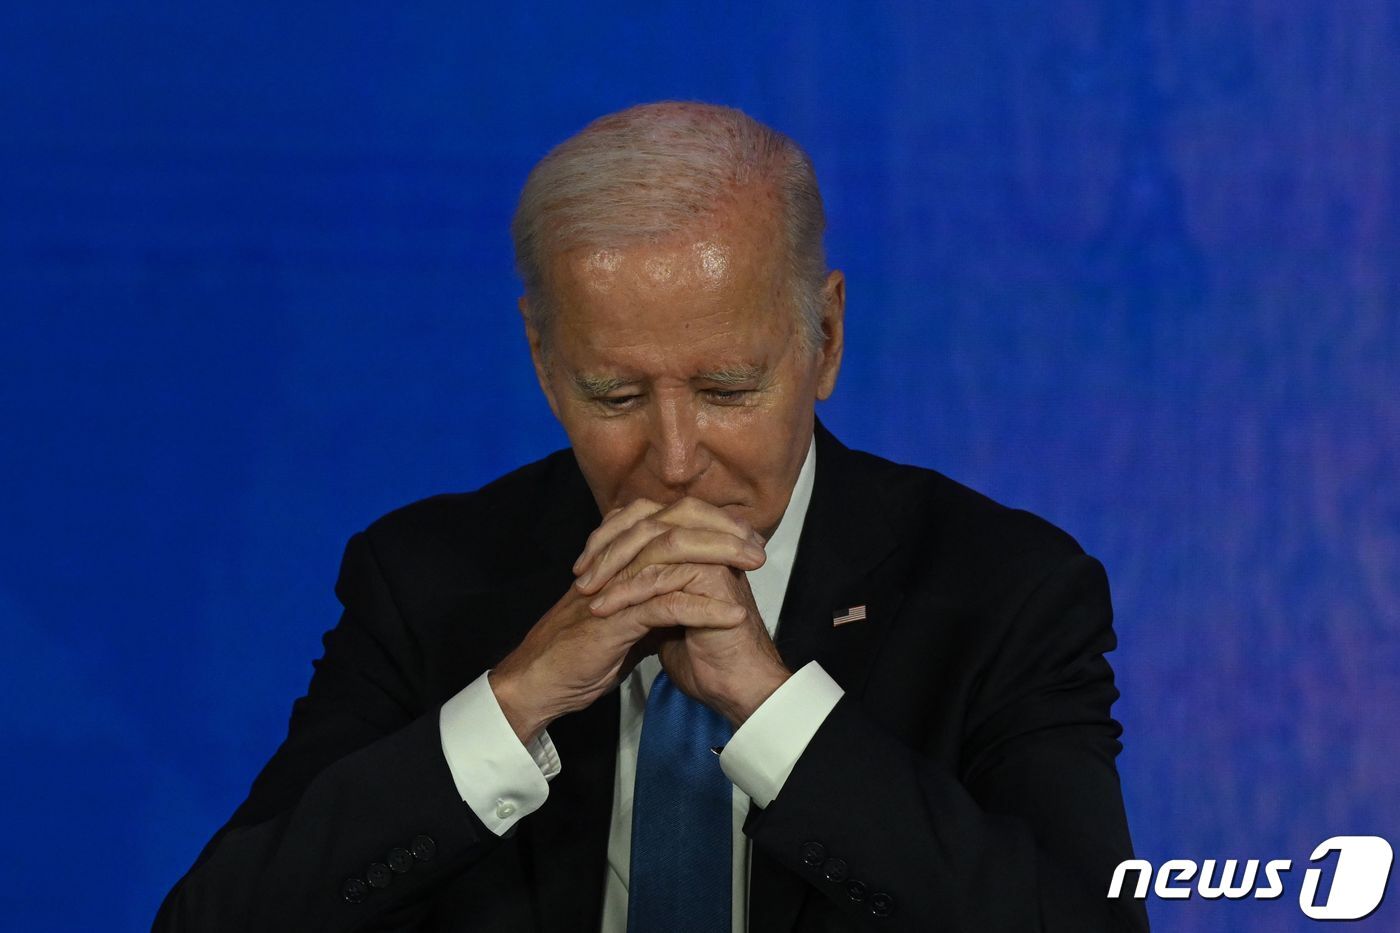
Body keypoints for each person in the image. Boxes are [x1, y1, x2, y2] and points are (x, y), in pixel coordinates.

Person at [154, 101, 1149, 933]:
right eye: (614, 396)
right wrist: (512, 702)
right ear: (544, 364)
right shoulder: (425, 579)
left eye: (724, 389)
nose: (672, 462)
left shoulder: (1002, 589)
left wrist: (772, 708)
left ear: (826, 338)